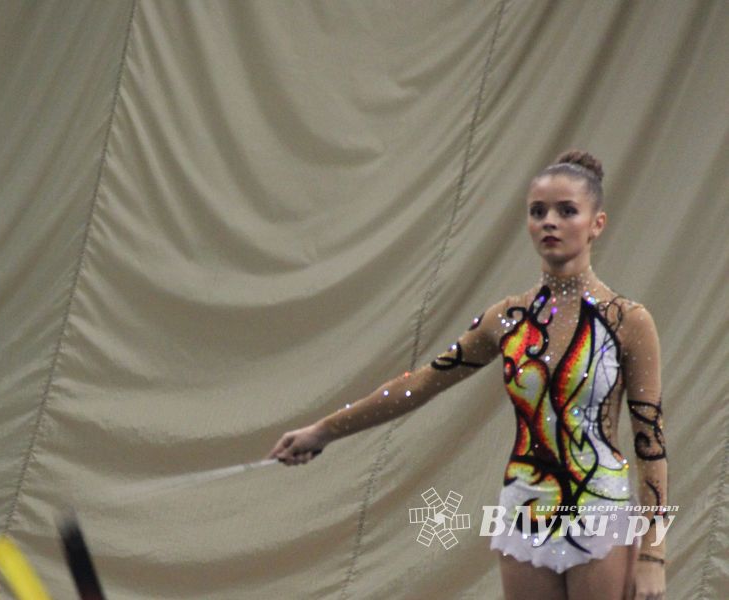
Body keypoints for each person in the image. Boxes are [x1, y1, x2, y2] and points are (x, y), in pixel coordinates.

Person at [267, 150, 668, 600]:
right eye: (538, 212)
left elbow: (649, 441)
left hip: (600, 506)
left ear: (597, 223)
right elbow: (415, 386)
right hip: (526, 504)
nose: (549, 222)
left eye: (566, 211)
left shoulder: (627, 320)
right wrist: (323, 431)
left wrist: (653, 554)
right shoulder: (508, 319)